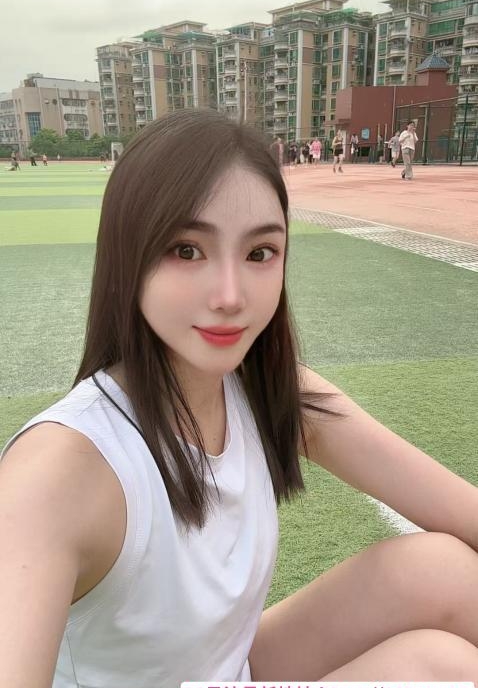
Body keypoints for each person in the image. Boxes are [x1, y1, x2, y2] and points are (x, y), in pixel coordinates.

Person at [1, 110, 478, 685]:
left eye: (259, 253)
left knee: (439, 570)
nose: (230, 296)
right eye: (186, 250)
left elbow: (460, 509)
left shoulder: (267, 388)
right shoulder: (58, 471)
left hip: (228, 670)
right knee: (439, 666)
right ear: (128, 255)